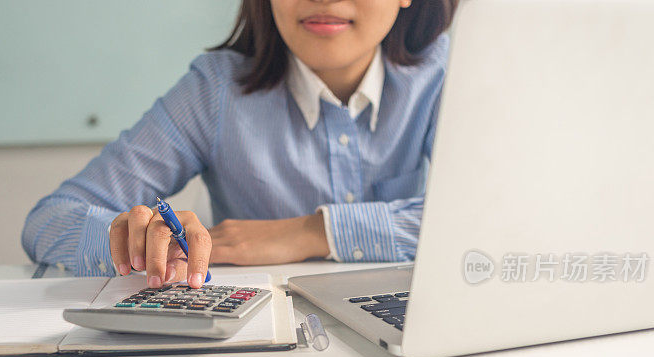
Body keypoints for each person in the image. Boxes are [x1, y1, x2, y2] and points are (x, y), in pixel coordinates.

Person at [22, 0, 458, 288]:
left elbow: (502, 213)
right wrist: (134, 240)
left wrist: (312, 233)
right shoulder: (215, 90)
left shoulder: (448, 73)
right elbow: (50, 220)